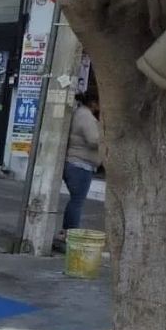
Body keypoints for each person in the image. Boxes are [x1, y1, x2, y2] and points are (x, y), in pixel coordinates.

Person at [62, 90, 101, 233]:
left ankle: (66, 231)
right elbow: (93, 140)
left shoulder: (80, 113)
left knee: (75, 200)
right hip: (80, 165)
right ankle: (70, 232)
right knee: (77, 201)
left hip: (76, 163)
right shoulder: (86, 116)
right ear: (93, 103)